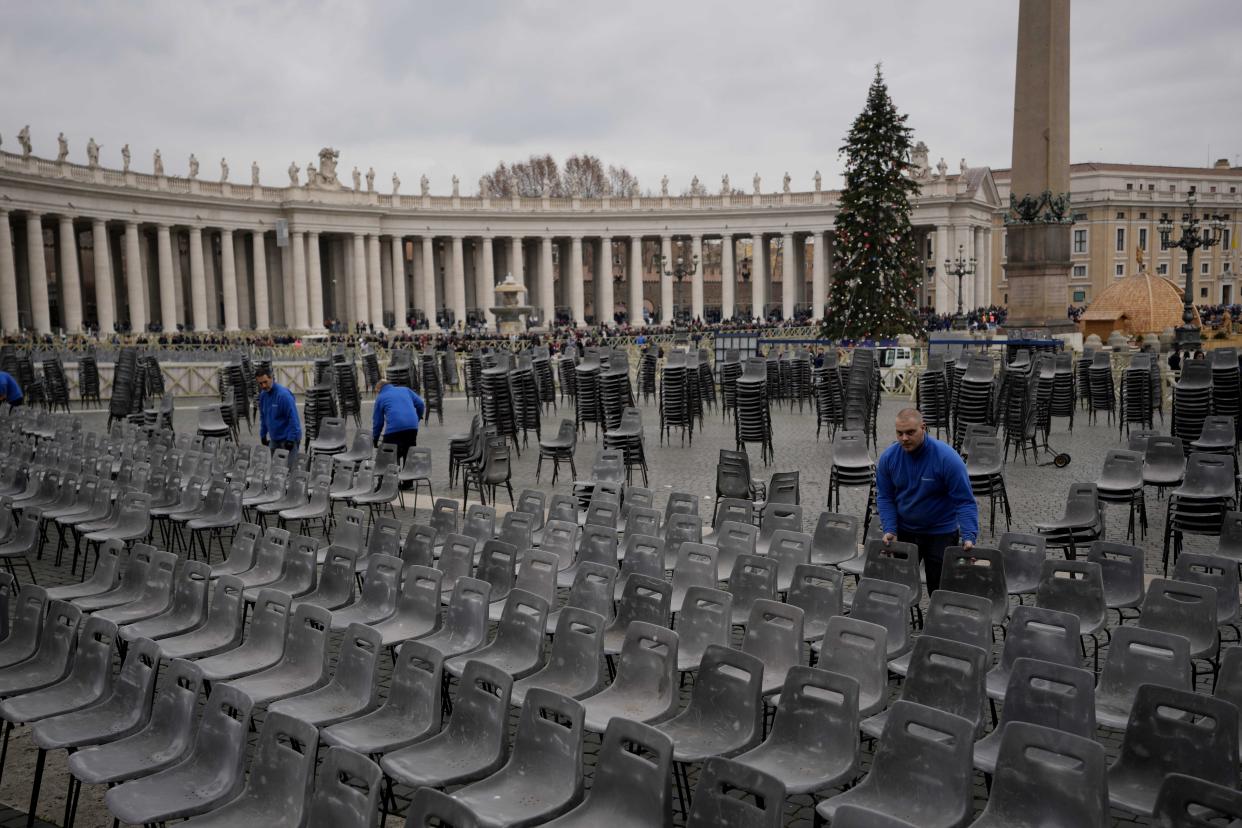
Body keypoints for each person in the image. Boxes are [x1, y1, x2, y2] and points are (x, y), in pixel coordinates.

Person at [875, 407, 978, 594]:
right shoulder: (888, 458)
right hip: (905, 531)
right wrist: (890, 528)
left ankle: (940, 623)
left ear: (923, 427)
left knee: (940, 591)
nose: (904, 438)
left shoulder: (948, 459)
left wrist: (969, 536)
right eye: (900, 433)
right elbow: (885, 497)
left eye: (910, 432)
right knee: (899, 590)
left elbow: (964, 501)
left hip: (941, 534)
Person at [372, 380, 427, 482]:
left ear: (379, 389)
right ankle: (408, 483)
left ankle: (386, 484)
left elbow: (378, 422)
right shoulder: (405, 390)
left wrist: (375, 439)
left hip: (394, 429)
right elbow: (420, 404)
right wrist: (417, 417)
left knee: (387, 455)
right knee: (408, 454)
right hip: (412, 427)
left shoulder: (381, 397)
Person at [256, 367, 302, 466]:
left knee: (289, 470)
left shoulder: (283, 395)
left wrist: (291, 439)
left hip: (288, 439)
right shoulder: (263, 395)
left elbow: (293, 419)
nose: (263, 386)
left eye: (265, 382)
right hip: (275, 439)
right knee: (276, 471)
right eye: (260, 383)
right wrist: (263, 434)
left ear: (271, 378)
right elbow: (263, 416)